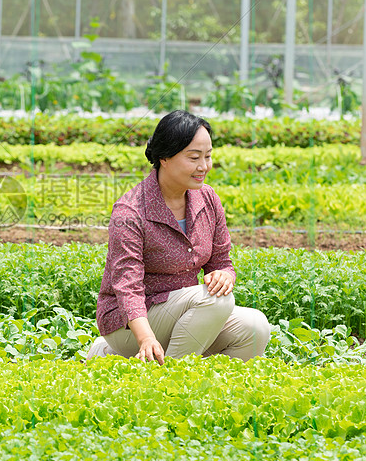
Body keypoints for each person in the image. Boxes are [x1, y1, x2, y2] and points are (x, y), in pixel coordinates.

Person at [86, 110, 270, 364]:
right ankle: (166, 379)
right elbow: (128, 287)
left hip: (189, 314)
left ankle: (121, 360)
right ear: (164, 158)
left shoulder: (208, 199)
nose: (204, 166)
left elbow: (221, 262)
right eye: (194, 157)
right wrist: (146, 338)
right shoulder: (131, 210)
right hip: (130, 324)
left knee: (255, 326)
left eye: (208, 156)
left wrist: (224, 275)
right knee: (215, 301)